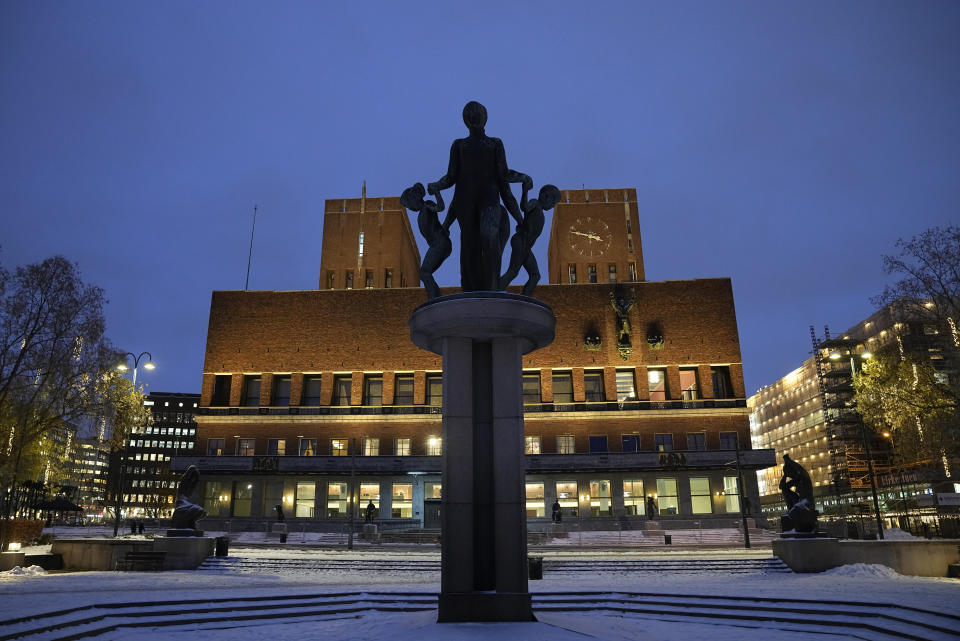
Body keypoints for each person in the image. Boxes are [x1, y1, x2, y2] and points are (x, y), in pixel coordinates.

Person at [428, 101, 526, 292]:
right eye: (469, 114)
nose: (474, 117)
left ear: (485, 117)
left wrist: (522, 180)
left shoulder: (494, 143)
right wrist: (437, 185)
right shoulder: (459, 145)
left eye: (477, 113)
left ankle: (492, 288)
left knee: (490, 238)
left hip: (489, 198)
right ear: (465, 120)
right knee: (469, 245)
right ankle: (471, 291)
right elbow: (451, 177)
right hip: (465, 201)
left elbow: (503, 176)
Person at [499, 182, 560, 295]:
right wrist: (525, 190)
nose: (552, 206)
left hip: (526, 246)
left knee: (535, 275)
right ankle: (495, 291)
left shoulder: (540, 212)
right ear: (546, 196)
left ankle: (525, 298)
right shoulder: (535, 203)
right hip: (521, 241)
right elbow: (524, 207)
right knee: (513, 271)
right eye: (553, 202)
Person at [400, 182, 451, 300]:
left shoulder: (427, 205)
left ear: (414, 198)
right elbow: (435, 225)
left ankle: (434, 299)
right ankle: (436, 298)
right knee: (425, 273)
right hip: (438, 244)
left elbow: (440, 207)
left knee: (424, 273)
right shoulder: (421, 214)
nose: (410, 208)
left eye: (409, 204)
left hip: (440, 243)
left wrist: (437, 191)